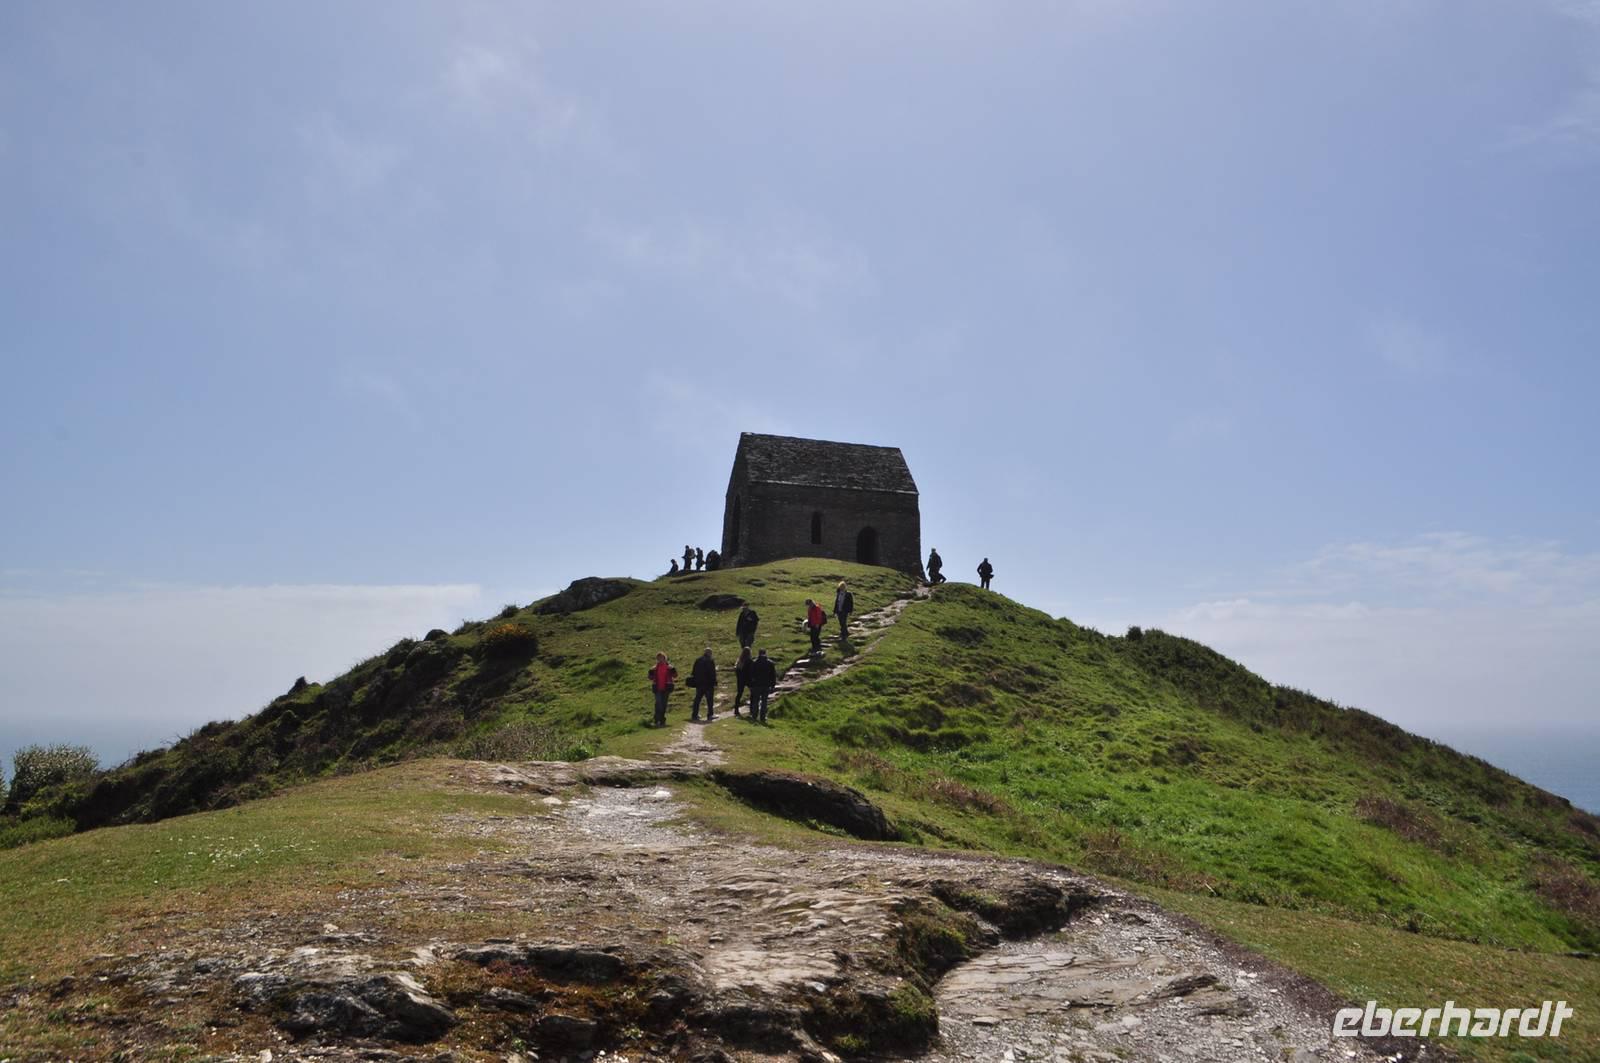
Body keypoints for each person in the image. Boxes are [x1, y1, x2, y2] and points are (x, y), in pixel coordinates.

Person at [646, 653, 677, 727]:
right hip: (657, 688)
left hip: (666, 688)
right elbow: (650, 678)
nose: (660, 660)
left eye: (661, 658)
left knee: (664, 705)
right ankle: (657, 720)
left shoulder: (669, 667)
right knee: (658, 704)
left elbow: (675, 676)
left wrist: (673, 670)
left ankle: (662, 720)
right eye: (658, 658)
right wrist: (650, 672)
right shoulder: (654, 668)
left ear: (665, 658)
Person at [690, 647, 718, 721]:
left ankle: (694, 715)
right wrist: (714, 682)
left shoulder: (698, 660)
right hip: (708, 684)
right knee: (709, 700)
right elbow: (712, 673)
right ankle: (710, 715)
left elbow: (693, 672)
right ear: (709, 653)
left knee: (697, 699)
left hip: (699, 683)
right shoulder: (710, 661)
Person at [750, 648, 777, 724]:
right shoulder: (770, 663)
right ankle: (762, 717)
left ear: (758, 653)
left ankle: (754, 716)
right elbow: (773, 675)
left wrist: (751, 684)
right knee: (764, 702)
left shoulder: (755, 662)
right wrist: (773, 685)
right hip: (766, 685)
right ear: (765, 653)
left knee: (756, 701)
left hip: (756, 685)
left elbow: (751, 674)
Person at [733, 646, 753, 715]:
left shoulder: (739, 661)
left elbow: (736, 670)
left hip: (740, 680)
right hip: (748, 680)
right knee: (752, 693)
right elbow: (751, 671)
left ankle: (736, 709)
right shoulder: (749, 661)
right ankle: (752, 709)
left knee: (739, 694)